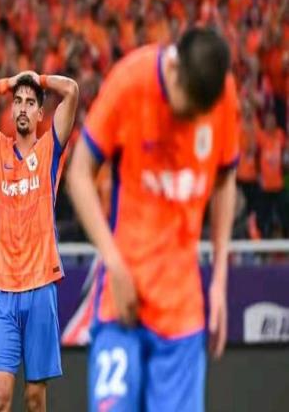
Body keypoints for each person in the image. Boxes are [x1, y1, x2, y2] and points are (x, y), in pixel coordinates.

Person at [67, 27, 239, 412]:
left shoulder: (221, 93)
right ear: (174, 69)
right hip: (122, 305)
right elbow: (78, 173)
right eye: (186, 110)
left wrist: (219, 282)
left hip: (181, 316)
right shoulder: (130, 82)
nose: (190, 121)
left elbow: (226, 178)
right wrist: (114, 263)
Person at [0, 71, 78, 411]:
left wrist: (39, 78)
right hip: (4, 290)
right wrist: (7, 83)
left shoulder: (50, 148)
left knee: (35, 398)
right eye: (18, 102)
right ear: (11, 110)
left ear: (40, 113)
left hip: (41, 285)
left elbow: (71, 90)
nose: (23, 108)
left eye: (29, 103)